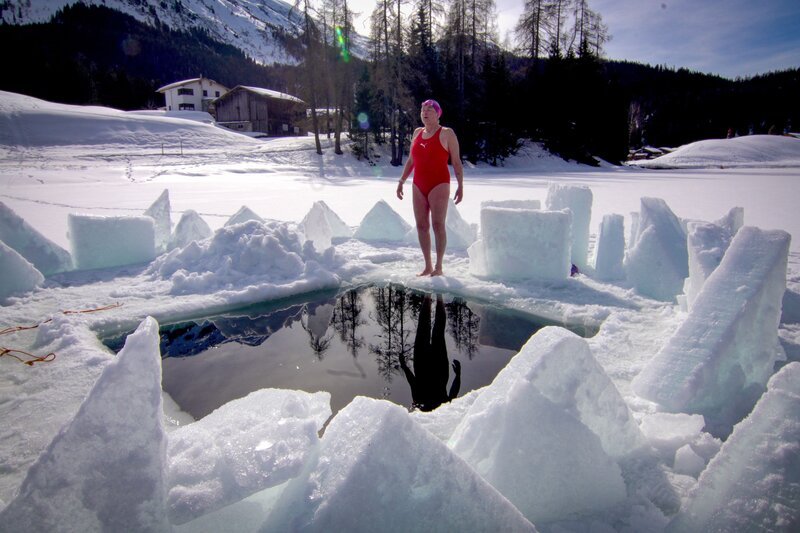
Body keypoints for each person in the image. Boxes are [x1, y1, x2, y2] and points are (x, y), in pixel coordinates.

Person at [396, 99, 464, 277]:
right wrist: (402, 181)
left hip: (439, 184)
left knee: (437, 224)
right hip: (418, 184)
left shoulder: (447, 133)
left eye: (429, 110)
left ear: (438, 113)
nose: (424, 113)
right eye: (422, 110)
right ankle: (428, 266)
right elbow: (411, 160)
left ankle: (439, 266)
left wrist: (461, 186)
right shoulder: (417, 132)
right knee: (421, 226)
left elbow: (456, 162)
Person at [399, 293, 461, 412]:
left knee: (436, 329)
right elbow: (412, 383)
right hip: (431, 367)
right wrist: (404, 366)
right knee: (426, 327)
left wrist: (457, 376)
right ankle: (433, 296)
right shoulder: (421, 404)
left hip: (434, 368)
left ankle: (436, 296)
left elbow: (453, 395)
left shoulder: (430, 407)